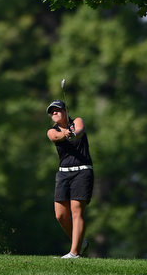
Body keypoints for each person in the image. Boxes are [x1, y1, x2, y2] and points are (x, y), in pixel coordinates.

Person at [46, 99, 94, 259]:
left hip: (82, 171)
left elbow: (80, 130)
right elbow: (55, 137)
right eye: (52, 111)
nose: (54, 113)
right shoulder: (51, 131)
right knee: (60, 215)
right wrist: (64, 134)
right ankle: (81, 241)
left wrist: (73, 133)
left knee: (76, 212)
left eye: (57, 110)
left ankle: (75, 253)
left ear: (65, 111)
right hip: (63, 174)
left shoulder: (77, 121)